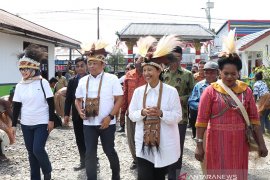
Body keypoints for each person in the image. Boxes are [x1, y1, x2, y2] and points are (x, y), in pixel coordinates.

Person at [195, 29, 268, 179]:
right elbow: (201, 121)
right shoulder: (210, 91)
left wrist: (262, 144)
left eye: (233, 74)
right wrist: (199, 146)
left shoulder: (246, 91)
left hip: (239, 143)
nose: (229, 77)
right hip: (216, 141)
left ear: (238, 73)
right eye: (225, 73)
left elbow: (255, 120)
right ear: (219, 72)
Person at [129, 35, 181, 180]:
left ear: (159, 71)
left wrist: (161, 113)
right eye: (144, 70)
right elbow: (131, 114)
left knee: (159, 176)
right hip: (144, 142)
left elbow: (178, 116)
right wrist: (142, 112)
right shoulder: (139, 92)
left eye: (150, 70)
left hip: (164, 142)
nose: (146, 73)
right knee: (144, 176)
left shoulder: (171, 92)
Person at [75, 40, 123, 180]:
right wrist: (79, 111)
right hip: (89, 124)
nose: (91, 66)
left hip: (107, 123)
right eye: (89, 63)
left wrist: (110, 117)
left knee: (109, 150)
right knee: (90, 153)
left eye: (95, 63)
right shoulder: (83, 81)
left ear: (103, 64)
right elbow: (77, 99)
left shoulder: (112, 79)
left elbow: (119, 99)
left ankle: (116, 175)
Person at [12, 44, 54, 180]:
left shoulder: (43, 83)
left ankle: (47, 170)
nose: (23, 71)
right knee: (31, 153)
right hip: (26, 123)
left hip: (41, 122)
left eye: (26, 68)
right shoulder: (19, 85)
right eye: (21, 69)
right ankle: (35, 177)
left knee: (37, 149)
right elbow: (16, 106)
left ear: (34, 68)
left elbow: (51, 102)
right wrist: (13, 125)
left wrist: (51, 120)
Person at [118, 36, 155, 169]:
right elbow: (124, 94)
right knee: (132, 138)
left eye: (141, 61)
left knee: (147, 136)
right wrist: (122, 113)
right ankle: (136, 160)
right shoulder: (129, 75)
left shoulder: (151, 76)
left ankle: (147, 160)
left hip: (147, 112)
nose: (139, 64)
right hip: (131, 112)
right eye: (137, 61)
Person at [163, 46, 195, 180]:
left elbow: (193, 95)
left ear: (181, 57)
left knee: (177, 148)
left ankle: (174, 175)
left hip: (180, 118)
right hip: (163, 117)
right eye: (171, 57)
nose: (173, 60)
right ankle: (163, 171)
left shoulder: (187, 74)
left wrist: (179, 99)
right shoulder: (163, 74)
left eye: (176, 57)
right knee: (164, 145)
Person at [64, 57, 88, 171]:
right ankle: (83, 161)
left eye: (82, 65)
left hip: (91, 115)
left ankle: (94, 161)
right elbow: (68, 99)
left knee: (90, 139)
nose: (80, 68)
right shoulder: (72, 81)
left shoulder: (92, 79)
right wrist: (66, 115)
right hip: (77, 115)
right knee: (79, 139)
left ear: (86, 66)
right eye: (77, 66)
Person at [188, 61, 219, 139]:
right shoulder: (199, 86)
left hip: (218, 119)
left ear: (217, 73)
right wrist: (204, 107)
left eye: (212, 73)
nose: (209, 75)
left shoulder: (222, 86)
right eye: (207, 73)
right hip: (203, 119)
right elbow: (191, 101)